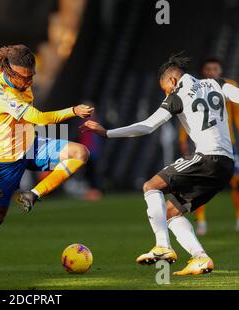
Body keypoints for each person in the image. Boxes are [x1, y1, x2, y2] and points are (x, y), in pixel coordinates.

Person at [80, 53, 239, 275]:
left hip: (206, 158)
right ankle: (200, 258)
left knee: (150, 186)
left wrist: (107, 133)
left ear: (172, 81)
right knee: (171, 212)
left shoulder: (177, 95)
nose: (165, 93)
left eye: (164, 88)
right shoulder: (218, 83)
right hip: (226, 164)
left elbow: (146, 126)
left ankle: (162, 246)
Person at [0, 44, 93, 274]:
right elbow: (40, 117)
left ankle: (33, 194)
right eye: (23, 78)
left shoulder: (3, 75)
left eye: (32, 77)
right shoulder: (4, 95)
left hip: (31, 145)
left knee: (81, 153)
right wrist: (73, 110)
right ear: (9, 72)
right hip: (6, 160)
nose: (28, 82)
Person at [178, 57, 239, 235]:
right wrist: (183, 139)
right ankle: (202, 222)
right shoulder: (194, 89)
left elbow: (236, 115)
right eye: (208, 69)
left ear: (220, 71)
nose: (212, 72)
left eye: (215, 68)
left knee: (236, 183)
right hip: (203, 144)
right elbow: (186, 114)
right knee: (200, 183)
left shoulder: (228, 85)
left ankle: (238, 219)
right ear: (203, 71)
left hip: (229, 143)